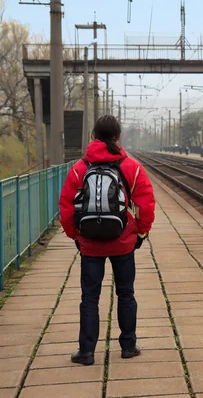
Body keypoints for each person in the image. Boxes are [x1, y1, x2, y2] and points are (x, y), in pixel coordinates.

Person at [59, 115, 156, 366]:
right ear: (118, 136)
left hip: (90, 244)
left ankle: (87, 352)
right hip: (123, 241)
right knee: (126, 293)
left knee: (89, 297)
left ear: (94, 136)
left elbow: (67, 207)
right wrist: (141, 232)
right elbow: (146, 204)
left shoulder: (80, 168)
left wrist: (75, 235)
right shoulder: (131, 167)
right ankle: (128, 345)